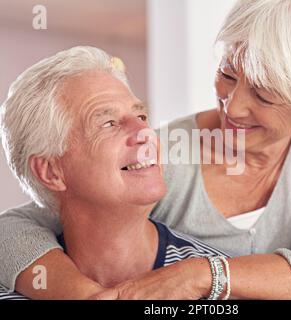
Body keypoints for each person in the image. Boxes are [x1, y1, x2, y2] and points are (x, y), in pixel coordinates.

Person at [0, 0, 291, 299]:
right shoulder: (164, 154)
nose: (232, 107)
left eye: (264, 95)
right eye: (227, 75)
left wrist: (201, 275)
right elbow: (19, 224)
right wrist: (84, 297)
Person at [0, 47, 228, 300]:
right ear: (51, 172)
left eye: (141, 115)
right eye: (108, 124)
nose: (145, 132)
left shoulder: (222, 290)